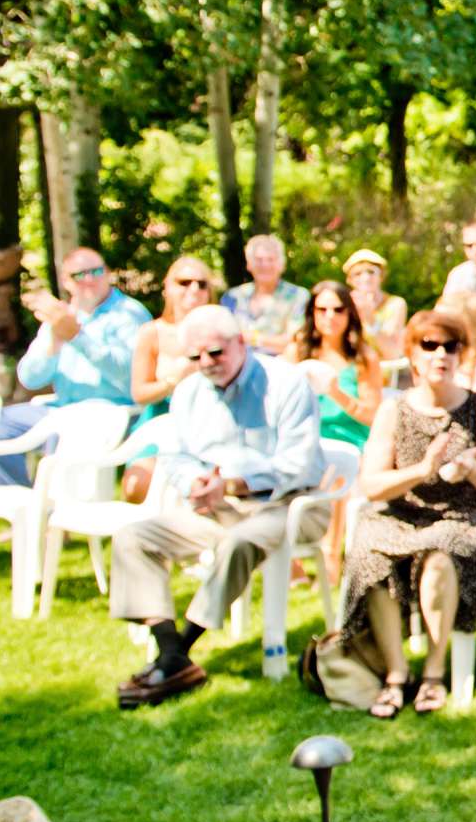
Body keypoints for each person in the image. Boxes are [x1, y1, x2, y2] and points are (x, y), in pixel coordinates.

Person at [108, 307, 325, 709]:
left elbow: (296, 465)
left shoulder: (286, 383)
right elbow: (175, 456)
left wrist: (232, 482)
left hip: (290, 505)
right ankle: (169, 647)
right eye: (196, 357)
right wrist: (195, 483)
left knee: (239, 541)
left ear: (240, 342)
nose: (206, 364)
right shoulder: (190, 392)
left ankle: (179, 653)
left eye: (215, 353)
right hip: (217, 507)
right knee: (132, 537)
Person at [338, 310, 476, 719]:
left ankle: (433, 671)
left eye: (451, 346)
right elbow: (372, 485)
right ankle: (396, 674)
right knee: (368, 551)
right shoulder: (394, 410)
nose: (441, 354)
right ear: (413, 354)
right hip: (401, 514)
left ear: (461, 355)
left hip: (457, 515)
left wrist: (470, 469)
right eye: (430, 346)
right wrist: (421, 470)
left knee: (439, 556)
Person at [0, 246, 150, 486]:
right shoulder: (61, 315)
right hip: (60, 408)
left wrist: (77, 338)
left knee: (68, 428)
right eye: (80, 274)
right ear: (66, 281)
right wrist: (53, 343)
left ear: (108, 273)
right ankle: (20, 507)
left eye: (97, 271)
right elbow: (29, 378)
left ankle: (59, 510)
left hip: (111, 413)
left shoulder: (129, 314)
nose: (90, 279)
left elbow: (130, 375)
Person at [289, 279, 381, 594]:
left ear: (349, 314)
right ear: (312, 313)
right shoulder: (298, 351)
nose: (330, 316)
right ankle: (292, 564)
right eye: (322, 309)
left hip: (350, 440)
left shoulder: (363, 356)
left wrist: (336, 392)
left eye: (338, 309)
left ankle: (330, 557)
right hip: (305, 438)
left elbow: (372, 414)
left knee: (337, 470)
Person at [122, 257, 216, 502]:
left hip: (208, 422)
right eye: (184, 282)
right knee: (135, 487)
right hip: (161, 417)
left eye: (201, 284)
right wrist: (174, 381)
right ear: (168, 288)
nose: (193, 289)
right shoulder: (152, 332)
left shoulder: (220, 333)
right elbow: (139, 393)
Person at [223, 234, 309, 356]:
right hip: (236, 365)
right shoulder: (233, 297)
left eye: (271, 259)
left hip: (280, 365)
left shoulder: (298, 296)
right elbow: (223, 337)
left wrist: (251, 337)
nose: (265, 265)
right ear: (249, 264)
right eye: (259, 260)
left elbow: (292, 341)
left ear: (282, 265)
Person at [342, 250, 409, 353]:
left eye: (371, 272)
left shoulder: (396, 304)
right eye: (358, 273)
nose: (365, 278)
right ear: (349, 280)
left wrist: (370, 319)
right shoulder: (343, 305)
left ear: (381, 275)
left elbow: (391, 350)